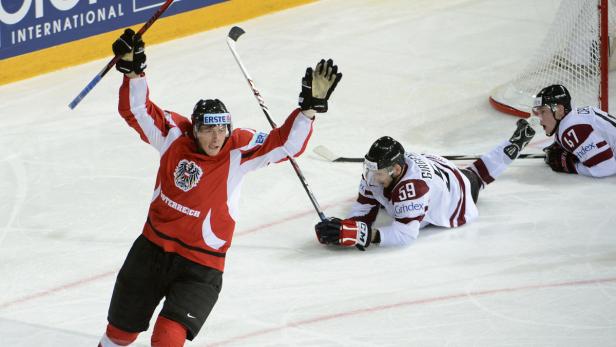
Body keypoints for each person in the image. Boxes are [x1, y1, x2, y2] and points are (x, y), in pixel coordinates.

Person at [98, 29, 342, 347]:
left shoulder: (237, 151)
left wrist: (309, 109)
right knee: (119, 335)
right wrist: (134, 71)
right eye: (208, 130)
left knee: (167, 339)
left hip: (201, 265)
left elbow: (286, 146)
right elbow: (138, 111)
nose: (216, 138)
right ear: (194, 129)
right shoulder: (174, 137)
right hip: (151, 253)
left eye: (222, 129)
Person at [314, 119, 535, 250]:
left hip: (456, 194)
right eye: (370, 170)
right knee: (474, 172)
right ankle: (515, 141)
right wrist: (348, 226)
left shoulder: (413, 189)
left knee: (476, 178)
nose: (371, 178)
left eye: (378, 173)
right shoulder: (379, 171)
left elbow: (406, 234)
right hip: (435, 169)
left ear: (397, 170)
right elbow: (365, 206)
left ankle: (515, 143)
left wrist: (363, 235)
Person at [532, 84, 616, 177]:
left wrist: (570, 166)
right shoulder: (572, 118)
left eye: (543, 111)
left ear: (559, 110)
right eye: (538, 113)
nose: (540, 120)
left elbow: (606, 168)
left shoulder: (571, 128)